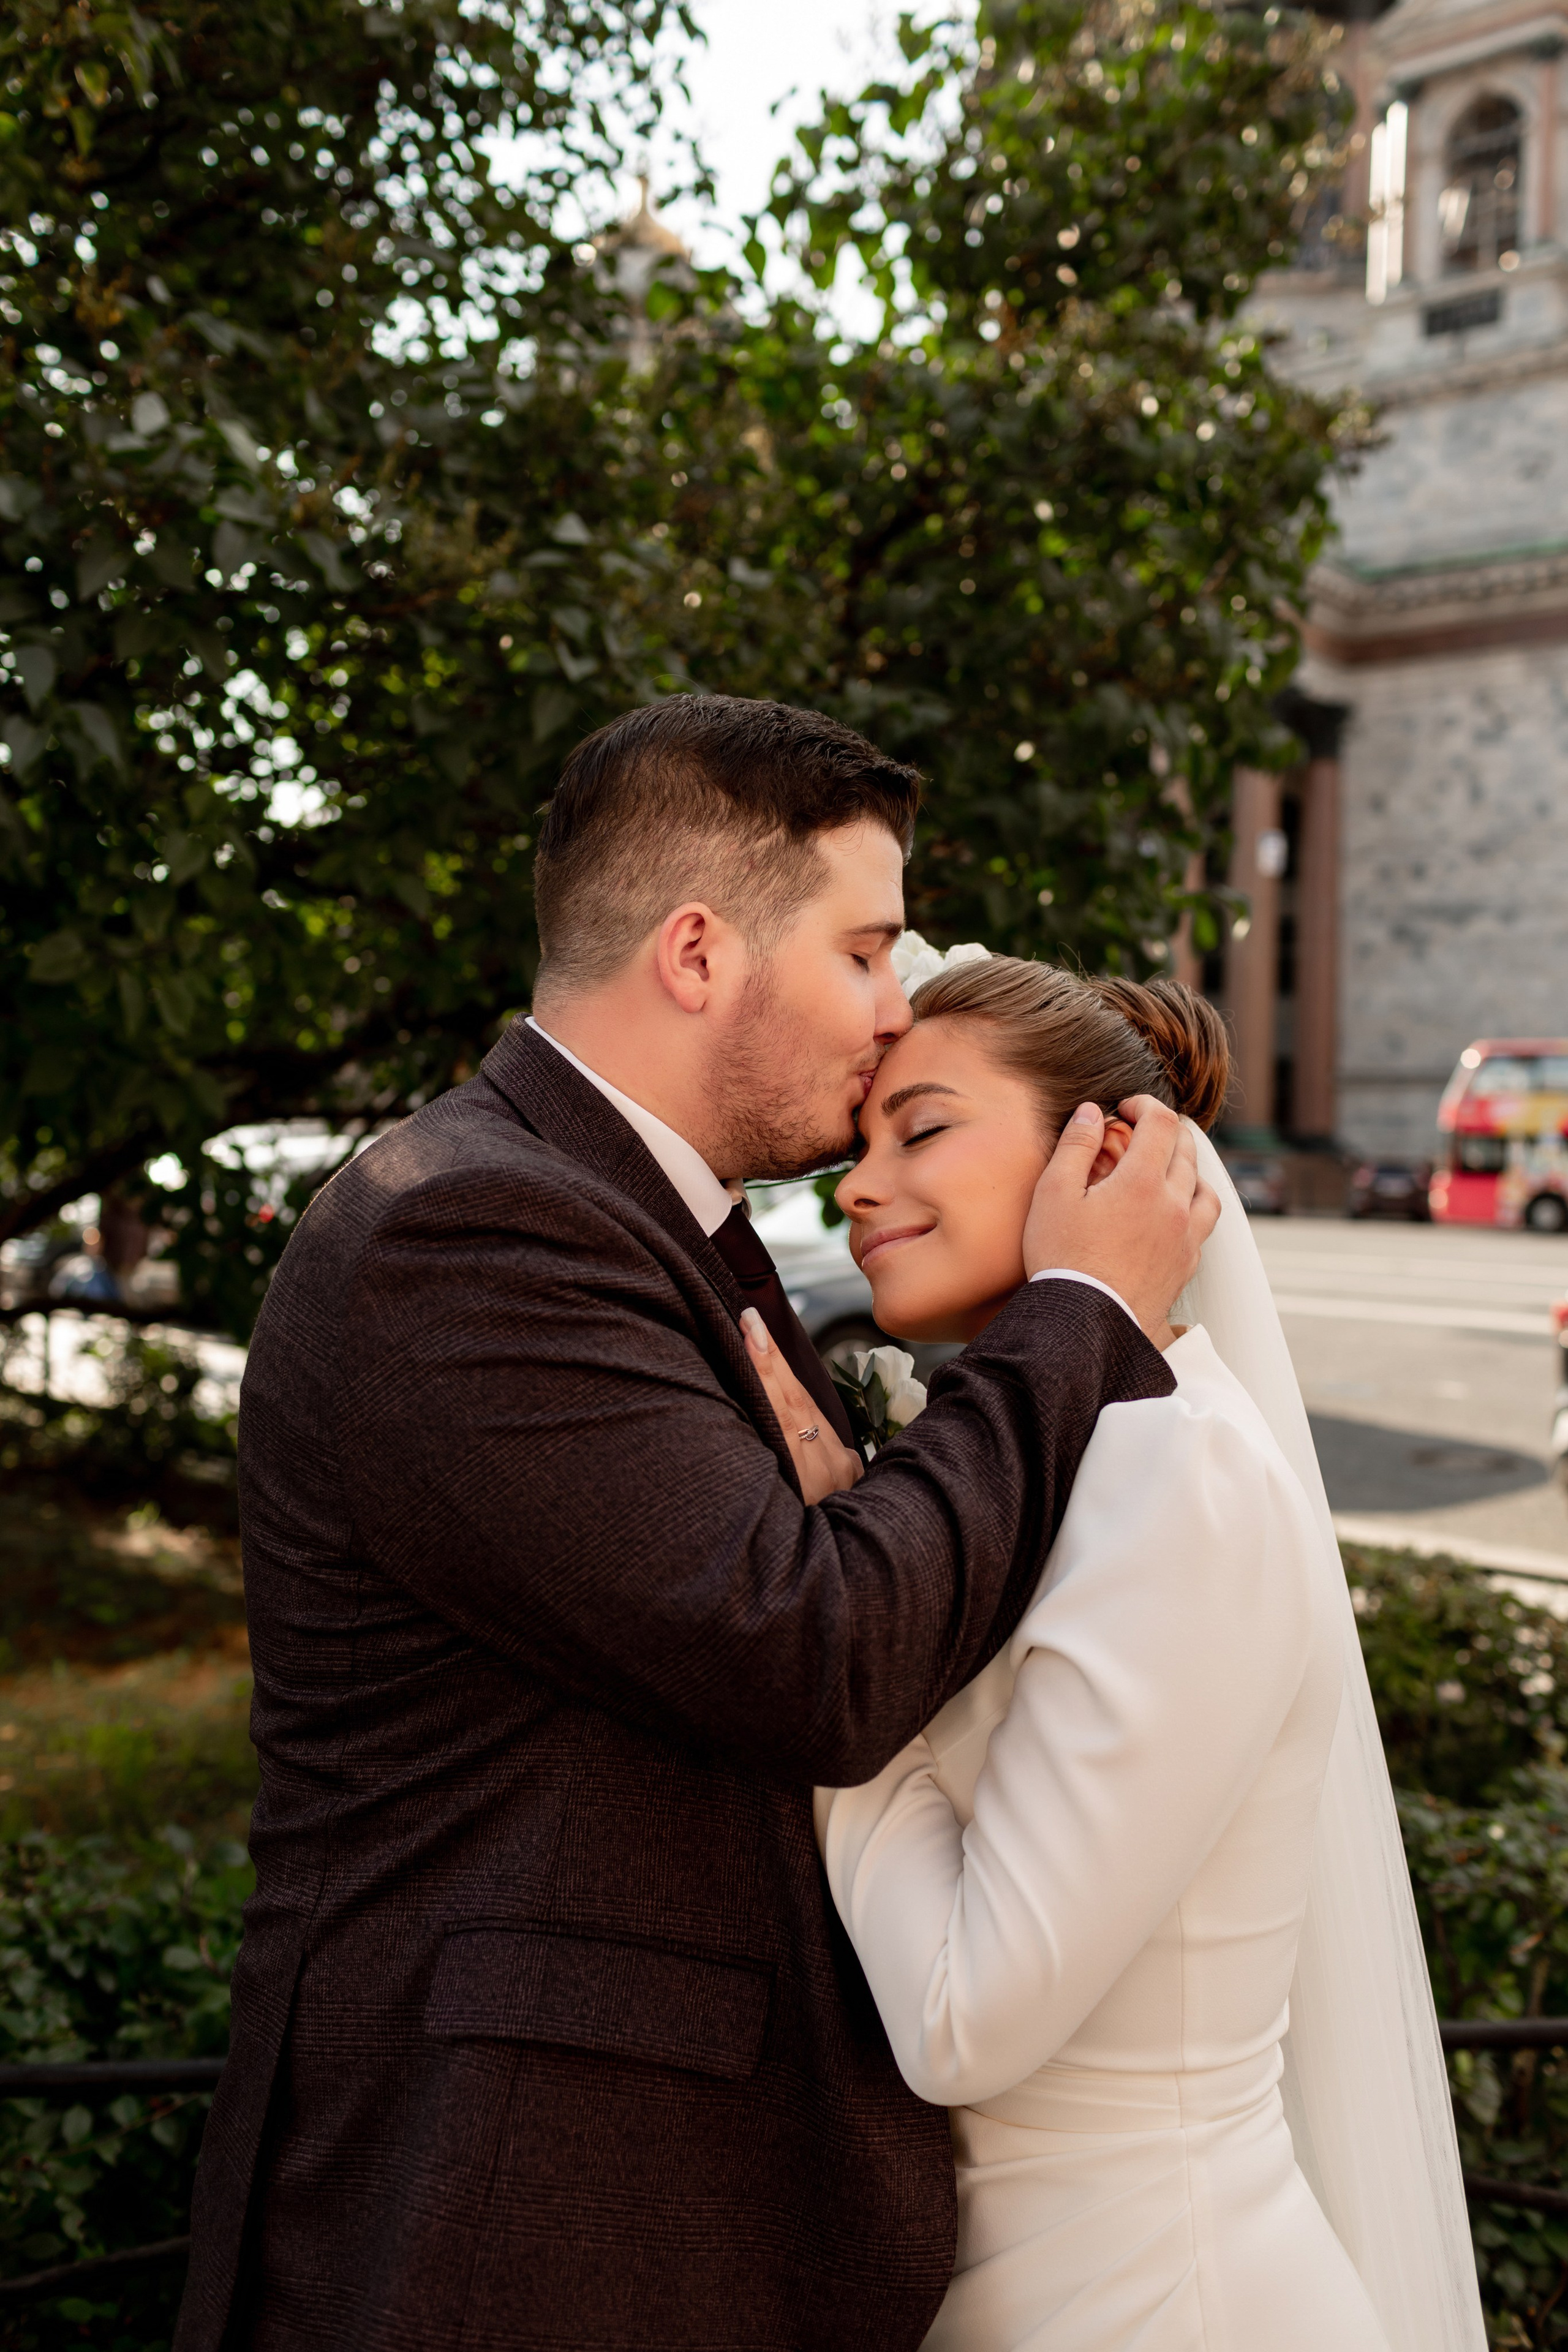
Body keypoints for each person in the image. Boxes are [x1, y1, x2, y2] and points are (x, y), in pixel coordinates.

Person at [175, 696, 1217, 2352]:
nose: (896, 1011)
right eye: (867, 954)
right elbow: (810, 1646)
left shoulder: (642, 1225)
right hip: (520, 2232)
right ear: (695, 953)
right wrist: (1078, 1308)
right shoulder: (467, 1230)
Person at [815, 955, 1485, 2352]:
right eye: (856, 1142)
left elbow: (960, 2021)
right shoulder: (1056, 1462)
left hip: (1156, 2302)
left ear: (1104, 1153)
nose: (853, 1186)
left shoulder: (1182, 1478)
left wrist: (823, 1626)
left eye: (919, 1129)